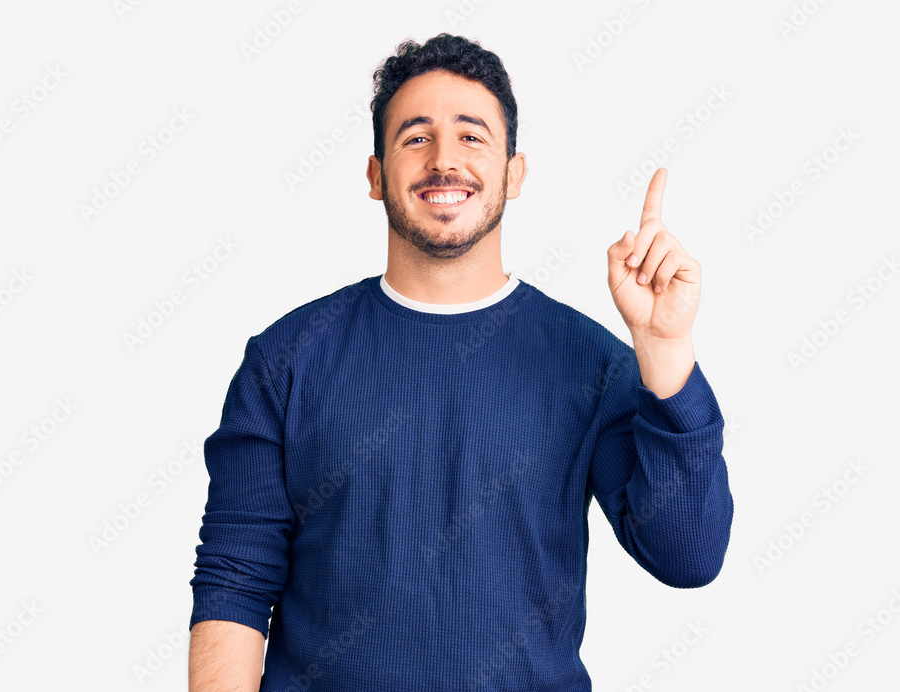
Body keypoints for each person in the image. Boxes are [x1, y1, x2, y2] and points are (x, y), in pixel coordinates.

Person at [187, 32, 733, 692]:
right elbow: (235, 580)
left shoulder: (593, 365)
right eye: (416, 137)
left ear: (514, 173)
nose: (444, 159)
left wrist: (665, 348)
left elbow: (687, 556)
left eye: (471, 136)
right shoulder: (285, 362)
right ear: (375, 175)